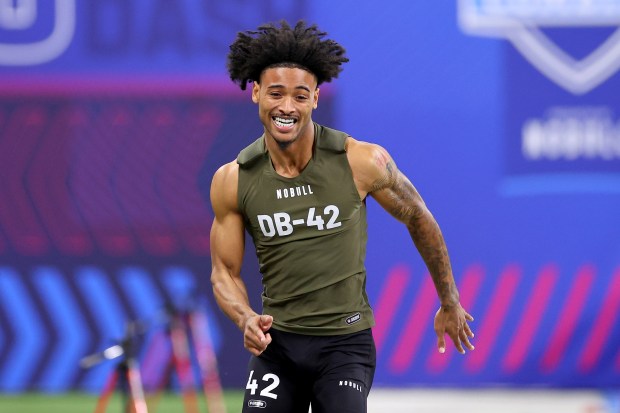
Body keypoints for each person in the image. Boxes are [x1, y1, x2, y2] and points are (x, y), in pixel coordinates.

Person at [209, 20, 475, 413]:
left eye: (300, 96)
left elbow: (419, 217)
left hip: (344, 344)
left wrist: (448, 300)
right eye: (276, 93)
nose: (287, 107)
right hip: (277, 347)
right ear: (256, 94)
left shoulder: (361, 161)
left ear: (315, 98)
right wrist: (245, 317)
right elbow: (224, 273)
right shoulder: (233, 179)